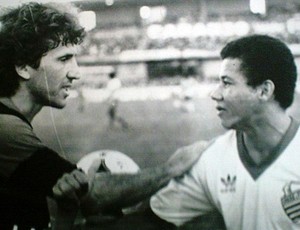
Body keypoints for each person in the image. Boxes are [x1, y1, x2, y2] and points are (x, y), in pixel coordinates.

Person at [0, 2, 207, 229]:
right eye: (63, 59)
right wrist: (171, 169)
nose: (76, 72)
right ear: (22, 66)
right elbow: (94, 195)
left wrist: (66, 217)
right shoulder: (5, 129)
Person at [150, 34, 299, 230]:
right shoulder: (212, 158)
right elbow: (153, 219)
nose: (214, 94)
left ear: (264, 91)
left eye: (227, 83)